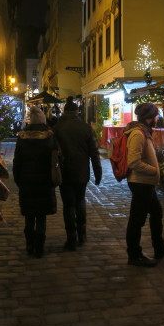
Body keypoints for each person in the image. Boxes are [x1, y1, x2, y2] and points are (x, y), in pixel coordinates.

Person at [54, 96, 102, 251]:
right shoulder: (86, 128)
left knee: (68, 205)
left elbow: (53, 152)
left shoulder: (58, 128)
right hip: (82, 171)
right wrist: (98, 171)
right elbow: (94, 152)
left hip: (65, 170)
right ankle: (82, 234)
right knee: (80, 200)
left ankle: (71, 238)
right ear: (77, 111)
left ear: (64, 111)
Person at [123, 102, 164, 267]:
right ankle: (134, 255)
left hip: (146, 182)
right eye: (156, 116)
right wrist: (153, 171)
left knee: (156, 213)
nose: (157, 118)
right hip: (140, 182)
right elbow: (133, 161)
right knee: (137, 219)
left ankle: (159, 247)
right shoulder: (138, 133)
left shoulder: (145, 131)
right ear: (150, 118)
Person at [12, 105, 59, 258]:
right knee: (41, 217)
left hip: (27, 181)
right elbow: (57, 159)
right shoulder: (50, 137)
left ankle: (29, 244)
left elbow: (17, 162)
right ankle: (39, 247)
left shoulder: (22, 138)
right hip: (45, 181)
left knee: (29, 216)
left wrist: (19, 180)